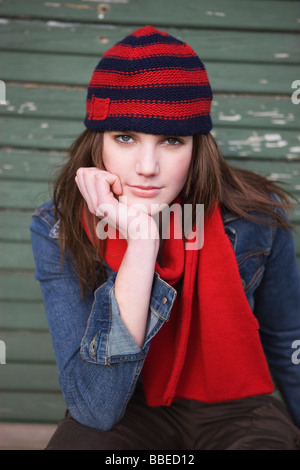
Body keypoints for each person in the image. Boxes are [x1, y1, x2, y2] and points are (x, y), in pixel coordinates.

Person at [30, 26, 300, 450]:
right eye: (125, 137)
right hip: (127, 407)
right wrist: (141, 241)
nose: (147, 167)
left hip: (237, 408)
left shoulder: (255, 216)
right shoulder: (57, 226)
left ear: (197, 147)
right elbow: (97, 408)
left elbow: (288, 339)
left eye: (172, 140)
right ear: (97, 143)